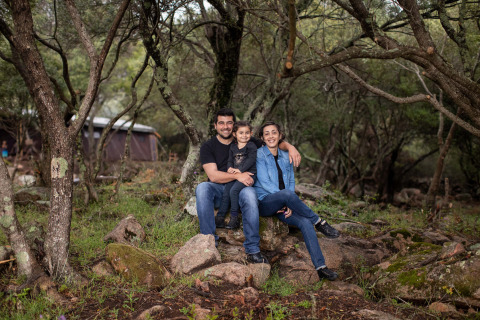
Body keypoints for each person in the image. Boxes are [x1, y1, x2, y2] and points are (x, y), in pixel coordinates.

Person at [196, 108, 301, 264]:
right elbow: (213, 176)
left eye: (229, 123)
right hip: (222, 189)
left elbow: (274, 142)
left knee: (251, 195)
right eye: (221, 123)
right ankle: (208, 242)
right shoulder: (208, 146)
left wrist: (291, 147)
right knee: (203, 188)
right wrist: (237, 175)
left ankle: (253, 250)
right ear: (215, 125)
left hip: (243, 189)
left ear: (234, 126)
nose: (225, 126)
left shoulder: (247, 140)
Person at [253, 121, 340, 280]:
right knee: (290, 198)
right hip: (265, 203)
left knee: (305, 223)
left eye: (274, 132)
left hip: (284, 204)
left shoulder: (286, 156)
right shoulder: (258, 155)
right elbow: (264, 183)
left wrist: (290, 201)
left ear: (280, 135)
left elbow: (291, 181)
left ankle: (321, 267)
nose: (271, 136)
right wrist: (286, 199)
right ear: (262, 137)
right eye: (267, 133)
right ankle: (319, 222)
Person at [215, 121, 256, 230]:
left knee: (234, 191)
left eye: (247, 133)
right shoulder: (233, 147)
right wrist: (229, 168)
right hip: (236, 175)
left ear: (251, 133)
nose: (244, 135)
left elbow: (251, 160)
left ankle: (234, 218)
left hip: (249, 175)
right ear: (235, 134)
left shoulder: (251, 146)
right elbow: (230, 161)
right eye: (241, 133)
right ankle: (220, 217)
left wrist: (239, 170)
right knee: (227, 190)